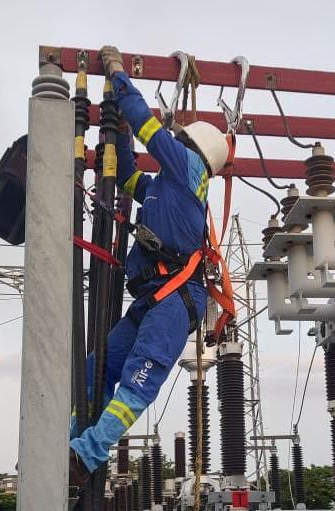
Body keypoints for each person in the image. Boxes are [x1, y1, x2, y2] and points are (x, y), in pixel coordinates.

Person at [69, 45, 230, 484]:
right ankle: (68, 440)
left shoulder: (189, 167)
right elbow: (126, 176)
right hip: (152, 299)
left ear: (191, 146)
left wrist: (119, 79)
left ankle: (85, 457)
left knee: (137, 384)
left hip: (176, 301)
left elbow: (149, 127)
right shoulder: (167, 187)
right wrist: (119, 130)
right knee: (97, 368)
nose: (171, 140)